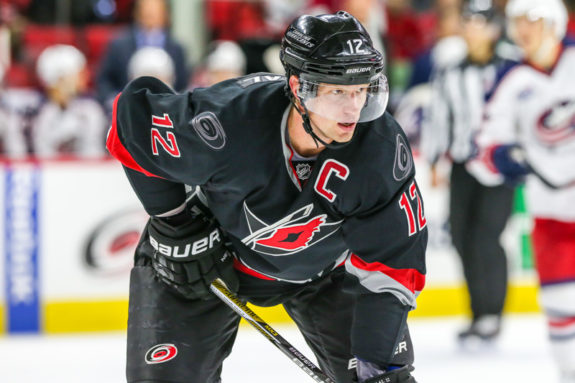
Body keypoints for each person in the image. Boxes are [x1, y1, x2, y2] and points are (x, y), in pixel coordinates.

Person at [107, 11, 427, 383]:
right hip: (206, 260)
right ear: (297, 87)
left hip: (326, 270)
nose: (353, 109)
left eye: (361, 91)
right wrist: (175, 222)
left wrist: (376, 362)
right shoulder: (229, 119)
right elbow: (131, 123)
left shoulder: (380, 148)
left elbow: (394, 262)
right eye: (337, 91)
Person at [467, 0, 575, 381]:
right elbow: (482, 150)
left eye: (531, 19)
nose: (522, 28)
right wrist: (500, 158)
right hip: (552, 216)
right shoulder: (513, 81)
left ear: (553, 21)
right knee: (560, 304)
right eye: (516, 21)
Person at [421, 0, 516, 344]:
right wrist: (434, 161)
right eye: (468, 22)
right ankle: (479, 314)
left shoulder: (511, 67)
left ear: (493, 28)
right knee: (461, 235)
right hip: (462, 164)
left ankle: (493, 312)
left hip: (499, 165)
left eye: (480, 22)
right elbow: (439, 117)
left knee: (486, 237)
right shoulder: (451, 71)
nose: (473, 29)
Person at [96, 0, 189, 112]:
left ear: (165, 14)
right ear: (136, 12)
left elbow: (184, 84)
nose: (150, 13)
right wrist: (115, 102)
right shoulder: (119, 45)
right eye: (146, 8)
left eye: (155, 9)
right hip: (126, 111)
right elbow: (105, 81)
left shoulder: (177, 49)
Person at [33, 44, 107, 158]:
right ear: (60, 77)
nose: (86, 76)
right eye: (79, 72)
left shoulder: (91, 109)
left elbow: (95, 154)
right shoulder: (36, 112)